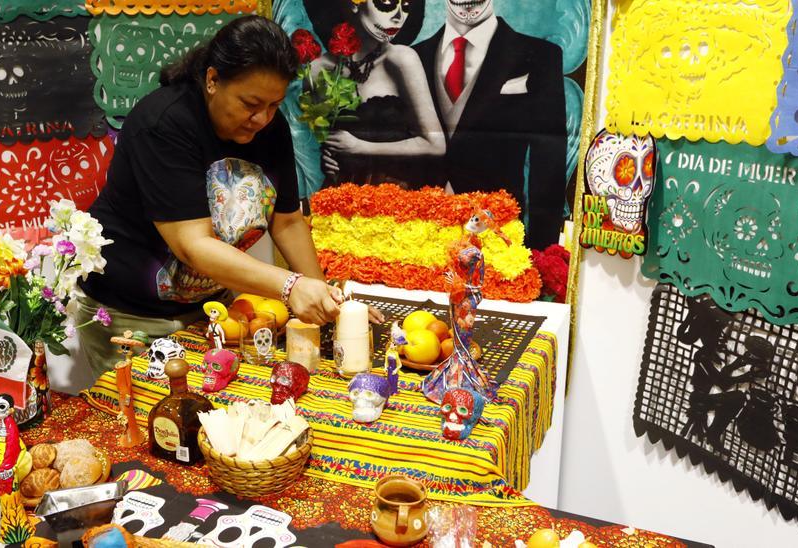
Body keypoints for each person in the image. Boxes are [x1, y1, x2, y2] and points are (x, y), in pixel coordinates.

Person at [76, 16, 377, 383]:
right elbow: (193, 246)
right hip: (128, 316)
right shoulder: (164, 124)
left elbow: (287, 221)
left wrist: (326, 300)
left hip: (213, 315)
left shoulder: (271, 127)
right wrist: (291, 286)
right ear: (213, 79)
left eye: (274, 105)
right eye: (250, 103)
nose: (262, 118)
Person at [413, 0, 567, 247]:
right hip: (418, 236)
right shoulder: (414, 57)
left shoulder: (540, 56)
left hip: (496, 236)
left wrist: (540, 251)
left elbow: (549, 158)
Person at [309, 0, 445, 188]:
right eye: (387, 3)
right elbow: (313, 141)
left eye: (405, 6)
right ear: (354, 4)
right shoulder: (318, 70)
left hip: (394, 193)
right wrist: (327, 156)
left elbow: (435, 144)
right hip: (340, 192)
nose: (399, 17)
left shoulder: (401, 59)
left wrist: (361, 147)